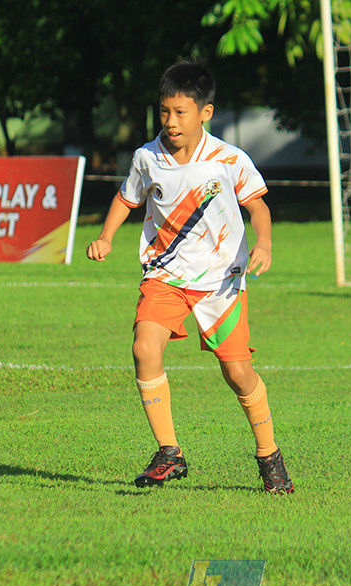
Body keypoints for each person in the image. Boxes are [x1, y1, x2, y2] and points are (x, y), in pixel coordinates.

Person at [86, 61, 293, 494]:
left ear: (206, 112)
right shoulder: (147, 157)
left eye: (181, 112)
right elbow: (126, 199)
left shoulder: (229, 159)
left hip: (221, 282)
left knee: (238, 374)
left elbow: (258, 207)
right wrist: (106, 236)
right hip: (166, 276)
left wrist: (265, 243)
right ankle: (169, 451)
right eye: (164, 112)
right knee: (144, 347)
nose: (171, 122)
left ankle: (269, 455)